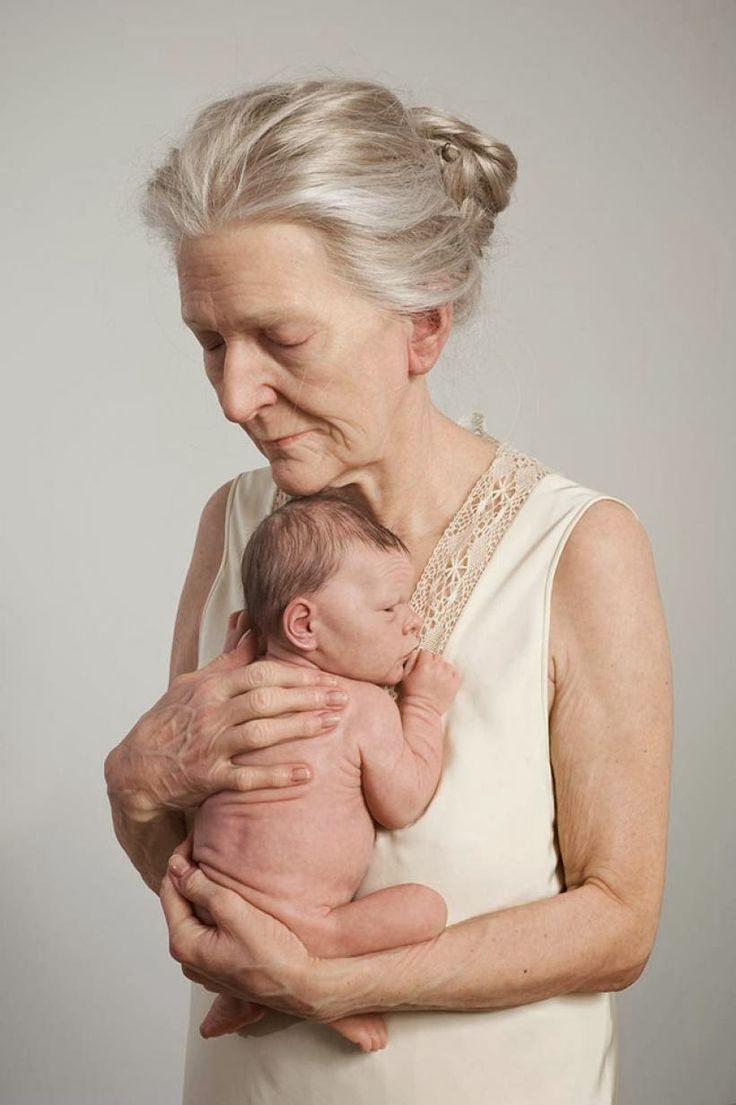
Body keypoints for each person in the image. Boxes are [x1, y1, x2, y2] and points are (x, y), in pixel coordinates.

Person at [103, 75, 673, 1104]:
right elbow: (204, 858)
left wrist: (336, 980)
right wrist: (132, 785)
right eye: (208, 340)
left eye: (282, 338)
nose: (235, 397)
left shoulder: (580, 547)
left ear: (421, 327)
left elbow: (619, 919)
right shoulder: (234, 523)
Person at [189, 486, 461, 1052]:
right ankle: (316, 970)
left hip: (210, 900)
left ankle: (243, 992)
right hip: (302, 914)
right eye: (390, 608)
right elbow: (403, 802)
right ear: (305, 625)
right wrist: (424, 706)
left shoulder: (231, 687)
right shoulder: (358, 705)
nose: (414, 624)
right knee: (426, 909)